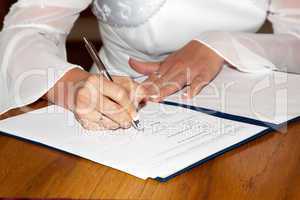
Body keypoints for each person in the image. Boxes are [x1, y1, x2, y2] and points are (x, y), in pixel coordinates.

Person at [0, 0, 299, 130]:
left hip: (249, 109)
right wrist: (69, 85)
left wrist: (223, 46)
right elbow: (26, 29)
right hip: (115, 101)